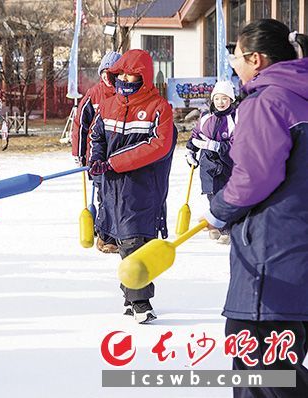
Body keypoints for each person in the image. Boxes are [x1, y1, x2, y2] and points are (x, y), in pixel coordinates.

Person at [200, 19, 308, 398]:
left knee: (262, 369)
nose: (234, 64)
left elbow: (255, 176)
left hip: (273, 257)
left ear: (256, 59)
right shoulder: (299, 97)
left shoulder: (267, 102)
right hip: (295, 260)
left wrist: (219, 210)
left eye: (237, 57)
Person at [88, 49, 176, 324]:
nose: (125, 79)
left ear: (144, 77)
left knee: (135, 242)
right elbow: (97, 136)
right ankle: (131, 295)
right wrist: (96, 159)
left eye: (132, 75)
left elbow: (158, 146)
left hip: (141, 188)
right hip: (111, 188)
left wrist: (115, 162)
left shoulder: (159, 108)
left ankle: (140, 302)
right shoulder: (108, 105)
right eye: (121, 74)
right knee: (124, 241)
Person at [71, 51, 121, 254]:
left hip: (119, 155)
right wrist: (79, 154)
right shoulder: (94, 95)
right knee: (104, 195)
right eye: (105, 73)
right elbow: (80, 125)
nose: (109, 78)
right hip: (97, 156)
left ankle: (119, 232)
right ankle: (106, 236)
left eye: (114, 74)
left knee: (119, 195)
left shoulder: (126, 94)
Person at [185, 80, 237, 244]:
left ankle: (227, 229)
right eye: (217, 98)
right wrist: (190, 150)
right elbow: (196, 135)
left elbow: (237, 143)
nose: (220, 102)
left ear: (231, 100)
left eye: (224, 98)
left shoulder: (234, 118)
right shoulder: (206, 116)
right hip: (207, 163)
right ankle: (216, 225)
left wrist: (217, 146)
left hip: (226, 163)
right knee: (211, 194)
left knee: (224, 196)